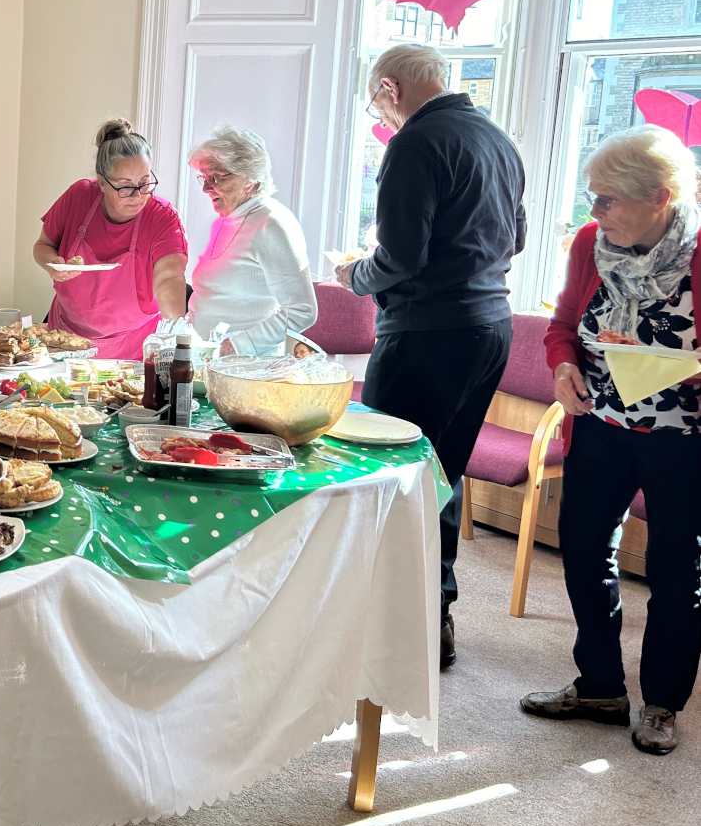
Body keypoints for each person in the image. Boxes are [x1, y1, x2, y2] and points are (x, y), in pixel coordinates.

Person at [335, 43, 526, 670]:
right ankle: (432, 614)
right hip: (490, 328)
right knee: (443, 472)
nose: (381, 119)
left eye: (377, 105)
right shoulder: (497, 140)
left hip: (426, 332)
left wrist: (353, 272)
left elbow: (400, 259)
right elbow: (516, 237)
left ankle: (387, 619)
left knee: (389, 471)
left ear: (391, 88)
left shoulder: (415, 144)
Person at [523, 126, 701, 755]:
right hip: (600, 421)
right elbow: (564, 324)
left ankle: (661, 704)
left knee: (678, 567)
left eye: (609, 199)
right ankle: (600, 684)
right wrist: (563, 365)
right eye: (592, 197)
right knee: (581, 546)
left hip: (684, 435)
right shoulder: (590, 243)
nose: (594, 212)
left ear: (662, 195)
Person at [35, 119, 188, 359]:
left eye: (145, 183)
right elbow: (43, 246)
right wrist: (53, 264)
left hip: (132, 352)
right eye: (125, 187)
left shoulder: (163, 218)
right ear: (102, 182)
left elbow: (170, 277)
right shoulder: (79, 197)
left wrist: (176, 339)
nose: (138, 196)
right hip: (65, 342)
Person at [187, 126, 316, 355]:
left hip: (248, 367)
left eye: (215, 178)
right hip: (211, 362)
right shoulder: (226, 220)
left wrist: (241, 344)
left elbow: (301, 310)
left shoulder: (271, 224)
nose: (206, 188)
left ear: (248, 179)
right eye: (204, 178)